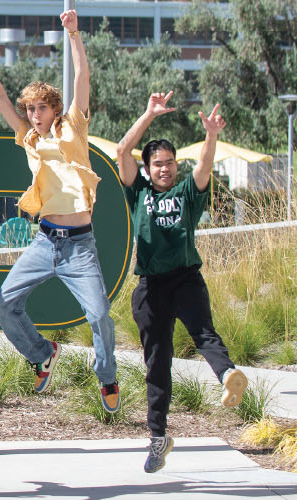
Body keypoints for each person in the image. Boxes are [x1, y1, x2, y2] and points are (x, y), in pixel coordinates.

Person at [0, 10, 121, 412]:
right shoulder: (28, 138)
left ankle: (106, 377)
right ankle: (41, 352)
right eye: (30, 110)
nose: (34, 116)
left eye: (40, 109)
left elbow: (82, 79)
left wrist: (73, 35)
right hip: (45, 239)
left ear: (53, 108)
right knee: (3, 304)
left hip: (80, 245)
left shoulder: (74, 127)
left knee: (100, 315)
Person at [112, 91, 250, 473]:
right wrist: (149, 112)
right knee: (157, 363)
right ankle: (158, 438)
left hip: (186, 279)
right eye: (158, 164)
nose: (165, 169)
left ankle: (227, 376)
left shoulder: (187, 192)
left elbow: (204, 165)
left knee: (204, 334)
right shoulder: (137, 192)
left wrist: (210, 135)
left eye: (170, 163)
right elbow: (123, 151)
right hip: (151, 288)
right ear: (148, 168)